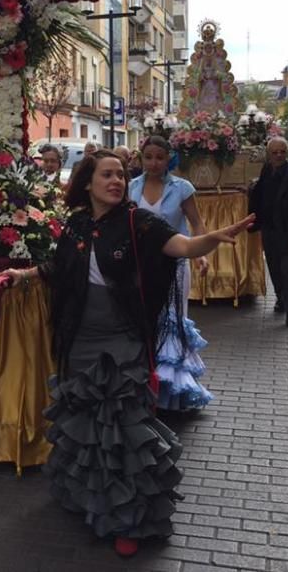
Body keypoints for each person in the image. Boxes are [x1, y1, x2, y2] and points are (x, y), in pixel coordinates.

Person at [0, 150, 253, 557]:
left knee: (125, 429)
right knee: (86, 424)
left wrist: (209, 240)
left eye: (121, 174)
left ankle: (131, 519)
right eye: (108, 175)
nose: (117, 181)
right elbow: (60, 268)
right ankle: (91, 499)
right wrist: (22, 275)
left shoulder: (139, 222)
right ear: (88, 183)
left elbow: (181, 245)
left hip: (122, 339)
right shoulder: (78, 224)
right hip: (80, 338)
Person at [129, 136, 213, 412]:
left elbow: (196, 224)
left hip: (175, 265)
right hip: (140, 266)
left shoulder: (182, 188)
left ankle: (172, 392)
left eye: (159, 157)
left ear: (168, 159)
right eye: (148, 157)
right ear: (141, 158)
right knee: (143, 320)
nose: (153, 163)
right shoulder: (131, 188)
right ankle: (144, 383)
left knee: (172, 321)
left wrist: (200, 253)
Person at [248, 136, 288, 328]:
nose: (278, 155)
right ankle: (281, 298)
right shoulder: (267, 169)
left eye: (282, 152)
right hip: (269, 230)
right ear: (269, 154)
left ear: (287, 152)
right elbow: (260, 192)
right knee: (275, 268)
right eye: (274, 152)